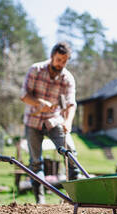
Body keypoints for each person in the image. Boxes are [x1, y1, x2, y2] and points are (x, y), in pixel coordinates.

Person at [20, 42, 79, 204]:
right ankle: (40, 200)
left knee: (71, 153)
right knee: (36, 162)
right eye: (59, 60)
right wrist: (39, 103)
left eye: (65, 61)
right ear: (52, 56)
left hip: (54, 120)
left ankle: (76, 197)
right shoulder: (36, 70)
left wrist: (68, 121)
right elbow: (24, 95)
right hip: (33, 120)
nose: (61, 64)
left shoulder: (67, 78)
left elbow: (71, 104)